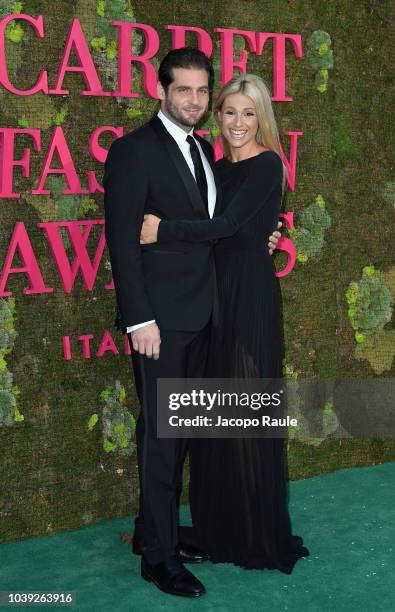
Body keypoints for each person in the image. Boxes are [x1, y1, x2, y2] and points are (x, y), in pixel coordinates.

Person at [104, 49, 281, 598]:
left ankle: (153, 532)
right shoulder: (133, 151)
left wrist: (265, 239)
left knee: (182, 435)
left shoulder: (205, 150)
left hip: (207, 314)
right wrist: (140, 320)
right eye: (184, 90)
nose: (195, 101)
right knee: (162, 437)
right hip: (161, 322)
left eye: (203, 92)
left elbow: (226, 224)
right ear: (161, 90)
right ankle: (158, 558)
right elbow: (121, 243)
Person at [140, 73, 310, 572]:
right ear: (219, 116)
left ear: (262, 119)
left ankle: (253, 535)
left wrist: (160, 229)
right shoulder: (212, 168)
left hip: (248, 299)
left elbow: (230, 226)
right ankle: (217, 527)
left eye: (249, 113)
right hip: (210, 298)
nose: (238, 123)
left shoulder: (267, 164)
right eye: (230, 112)